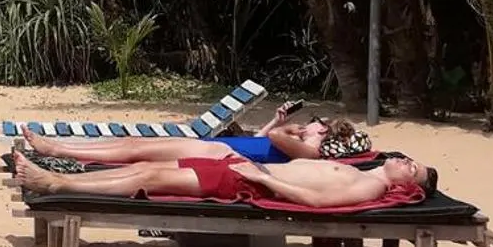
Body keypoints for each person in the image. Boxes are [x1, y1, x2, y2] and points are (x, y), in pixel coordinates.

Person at [8, 148, 436, 211]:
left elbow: (317, 202)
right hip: (248, 171)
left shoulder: (371, 185)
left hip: (250, 182)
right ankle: (58, 177)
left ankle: (58, 184)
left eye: (411, 167)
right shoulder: (363, 168)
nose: (404, 161)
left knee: (151, 177)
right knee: (147, 169)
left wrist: (264, 181)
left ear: (406, 185)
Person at [18, 103, 348, 166]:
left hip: (216, 155)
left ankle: (59, 151)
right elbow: (262, 142)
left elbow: (274, 142)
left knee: (137, 153)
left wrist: (286, 130)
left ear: (325, 132)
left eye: (316, 122)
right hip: (218, 146)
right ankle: (63, 146)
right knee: (135, 144)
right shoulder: (299, 144)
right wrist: (275, 122)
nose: (309, 123)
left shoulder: (311, 152)